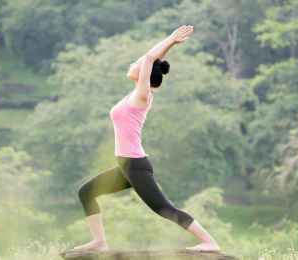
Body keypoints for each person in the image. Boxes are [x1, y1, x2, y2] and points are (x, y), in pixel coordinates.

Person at [72, 25, 221, 252]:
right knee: (86, 192)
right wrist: (158, 55)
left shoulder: (143, 96)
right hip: (125, 165)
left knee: (163, 208)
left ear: (144, 75)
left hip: (135, 166)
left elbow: (150, 58)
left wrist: (171, 40)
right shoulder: (133, 94)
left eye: (138, 66)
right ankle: (99, 242)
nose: (134, 65)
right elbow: (150, 60)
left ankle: (210, 242)